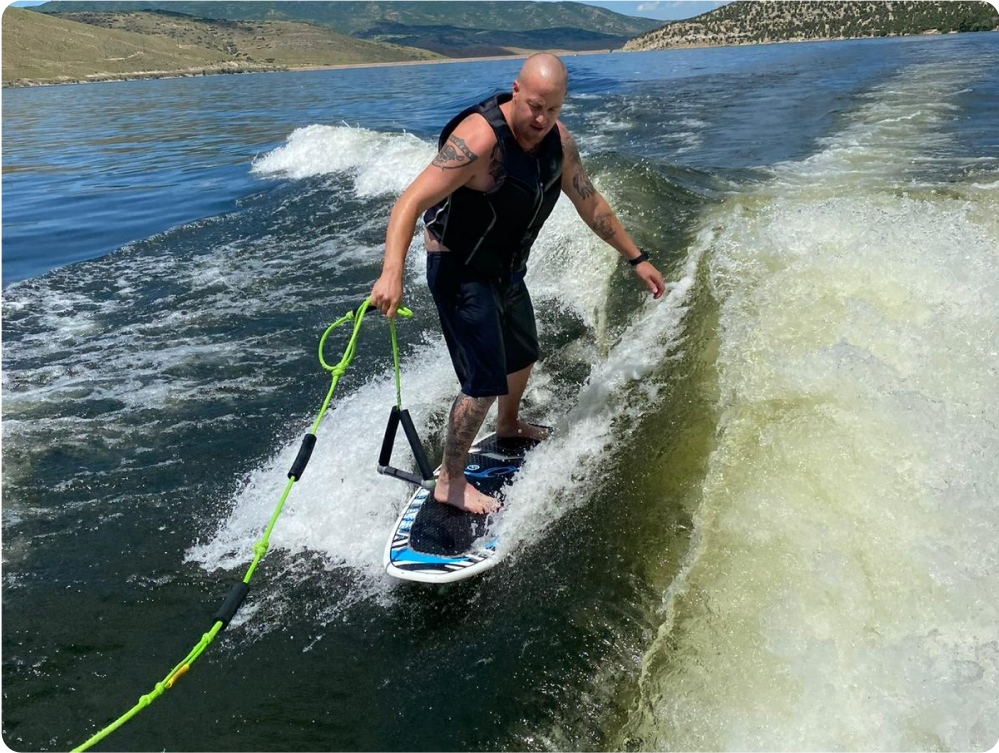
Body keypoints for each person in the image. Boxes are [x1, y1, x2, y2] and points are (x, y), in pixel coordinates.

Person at [370, 53, 664, 514]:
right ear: (516, 90)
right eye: (533, 106)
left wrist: (636, 258)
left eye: (553, 109)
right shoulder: (479, 140)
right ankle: (451, 478)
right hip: (460, 267)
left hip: (506, 268)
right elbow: (408, 203)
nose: (541, 119)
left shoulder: (558, 143)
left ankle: (507, 425)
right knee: (484, 381)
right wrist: (391, 272)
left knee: (523, 353)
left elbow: (590, 202)